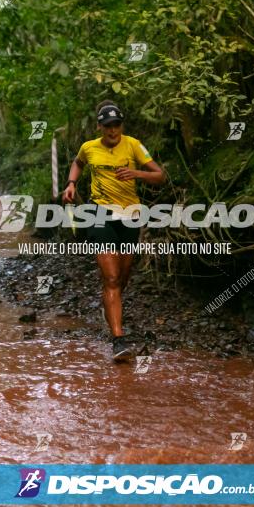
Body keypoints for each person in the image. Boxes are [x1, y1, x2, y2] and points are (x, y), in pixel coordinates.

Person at [62, 101, 165, 360]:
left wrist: (135, 173)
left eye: (116, 125)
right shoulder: (89, 147)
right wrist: (71, 183)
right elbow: (78, 162)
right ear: (99, 127)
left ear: (121, 125)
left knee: (122, 276)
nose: (112, 130)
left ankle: (110, 306)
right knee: (110, 278)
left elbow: (160, 175)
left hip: (130, 215)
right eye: (107, 126)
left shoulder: (133, 145)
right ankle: (118, 339)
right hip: (99, 213)